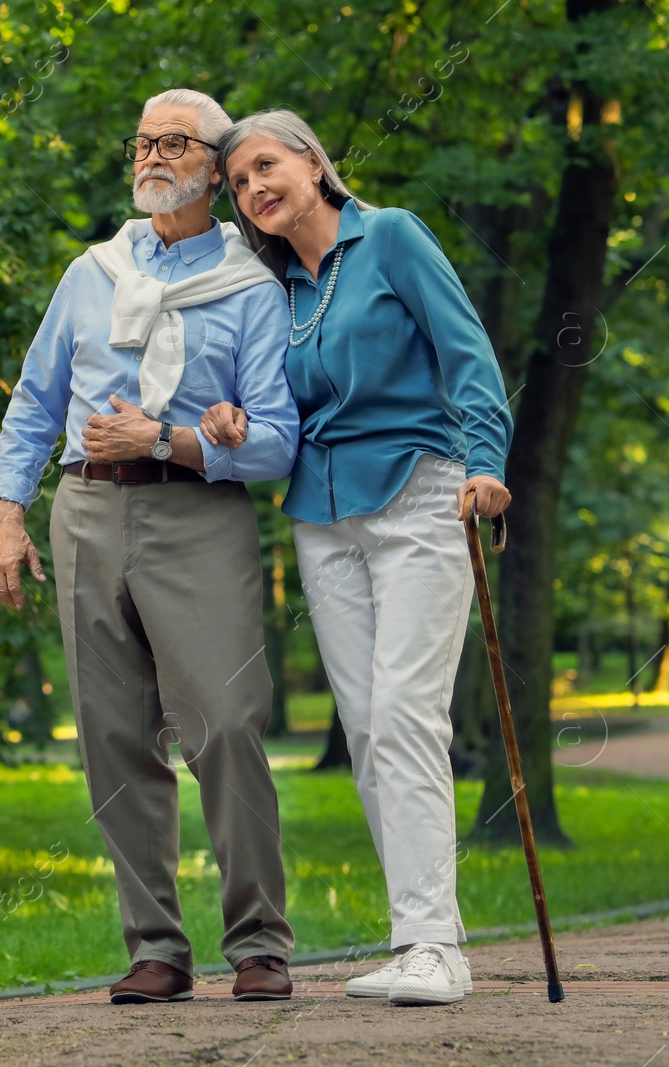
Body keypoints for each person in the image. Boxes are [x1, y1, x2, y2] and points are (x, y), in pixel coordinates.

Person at [0, 88, 301, 1003]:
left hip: (197, 514)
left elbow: (275, 442)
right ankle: (156, 947)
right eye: (142, 142)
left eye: (175, 143)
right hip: (83, 514)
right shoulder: (92, 271)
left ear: (214, 166)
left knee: (228, 724)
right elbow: (37, 402)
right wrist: (9, 510)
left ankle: (260, 944)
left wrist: (173, 438)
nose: (152, 157)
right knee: (115, 737)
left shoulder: (250, 288)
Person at [200, 107, 514, 1007]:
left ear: (310, 160)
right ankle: (423, 936)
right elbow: (273, 409)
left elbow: (469, 357)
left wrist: (488, 465)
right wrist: (234, 421)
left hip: (421, 490)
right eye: (238, 184)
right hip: (321, 519)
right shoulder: (269, 289)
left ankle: (433, 946)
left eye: (265, 166)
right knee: (371, 727)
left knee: (409, 715)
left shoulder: (394, 239)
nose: (254, 189)